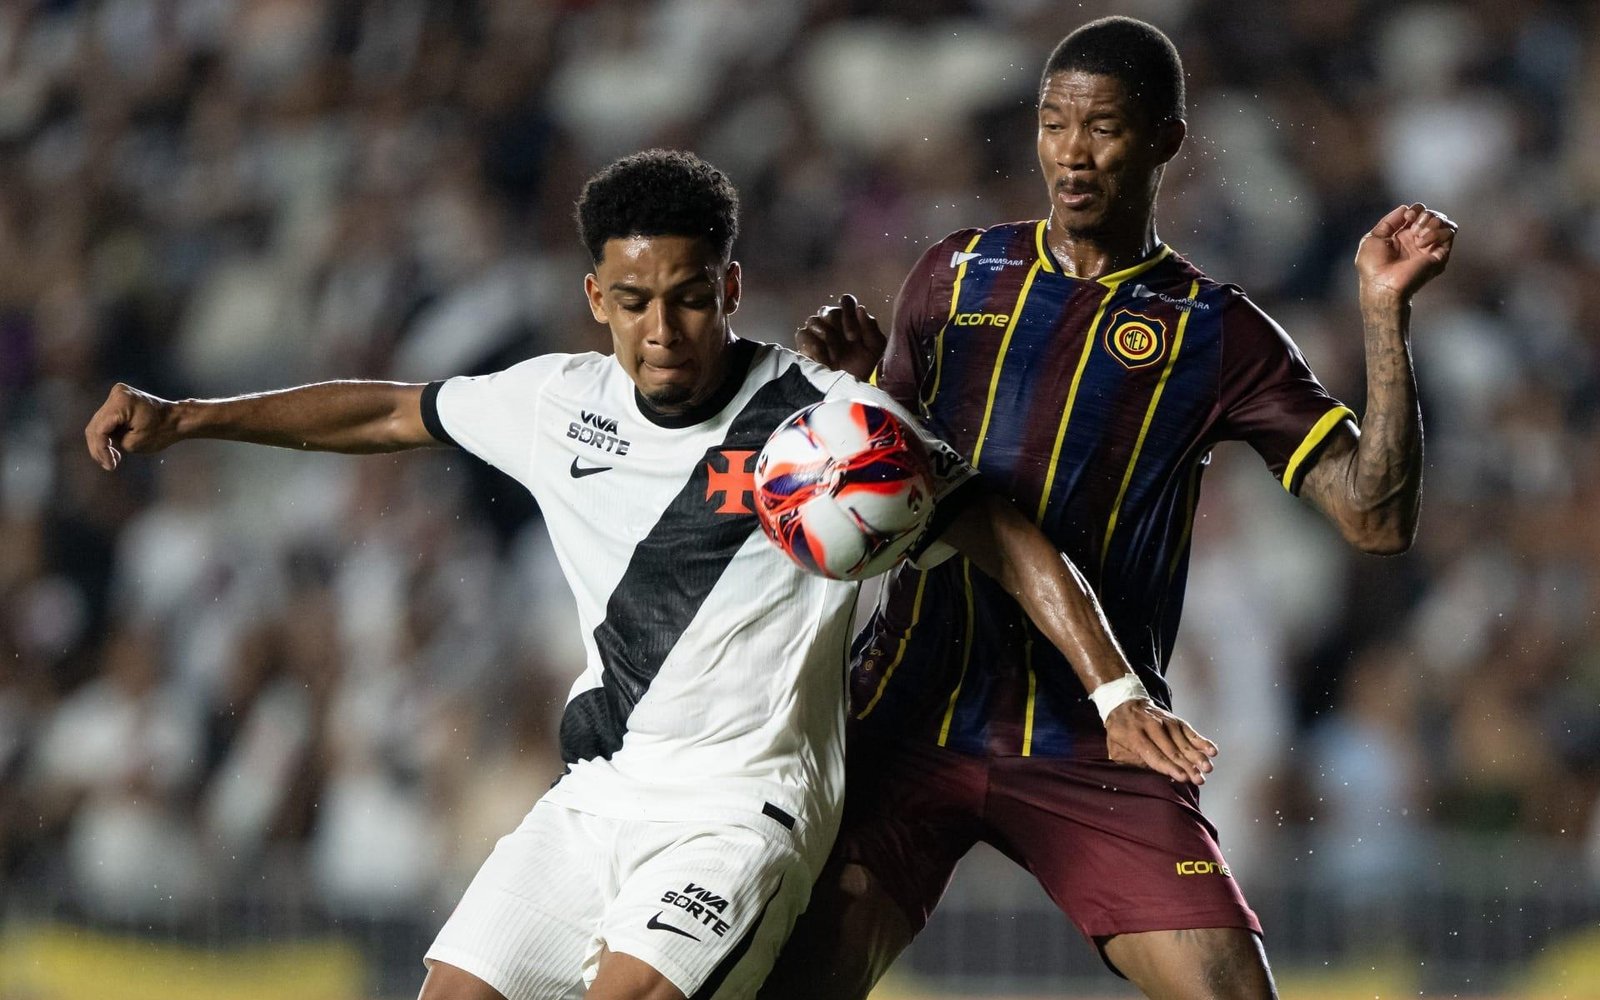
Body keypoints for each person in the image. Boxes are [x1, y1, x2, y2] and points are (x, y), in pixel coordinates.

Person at [83, 149, 1218, 1000]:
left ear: (730, 288)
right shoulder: (555, 401)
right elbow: (387, 412)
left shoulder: (829, 427)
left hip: (744, 811)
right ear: (597, 299)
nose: (661, 327)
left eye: (687, 295)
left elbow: (1003, 534)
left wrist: (1116, 691)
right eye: (633, 302)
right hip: (598, 798)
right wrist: (187, 418)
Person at [765, 16, 1457, 1000]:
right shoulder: (952, 275)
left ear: (1165, 139)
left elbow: (1374, 519)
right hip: (911, 714)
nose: (1073, 154)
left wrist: (1385, 318)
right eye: (1054, 125)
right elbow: (900, 490)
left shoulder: (1217, 332)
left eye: (1103, 127)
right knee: (790, 984)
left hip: (1096, 738)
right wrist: (859, 394)